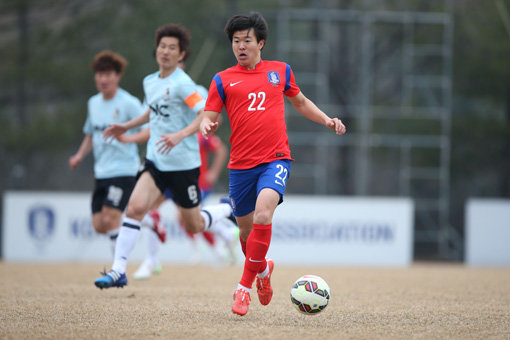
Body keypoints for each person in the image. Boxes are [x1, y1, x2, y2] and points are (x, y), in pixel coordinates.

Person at [200, 13, 346, 316]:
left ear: (260, 43)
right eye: (236, 41)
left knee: (264, 213)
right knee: (246, 232)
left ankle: (243, 288)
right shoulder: (222, 79)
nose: (241, 46)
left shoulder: (281, 71)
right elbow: (208, 115)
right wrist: (206, 126)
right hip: (240, 165)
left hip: (275, 159)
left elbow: (301, 102)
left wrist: (327, 120)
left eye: (247, 41)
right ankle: (263, 272)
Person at [94, 23, 236, 289]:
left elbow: (205, 113)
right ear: (156, 50)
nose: (166, 51)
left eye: (172, 48)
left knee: (193, 225)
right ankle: (118, 270)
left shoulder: (183, 84)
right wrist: (126, 126)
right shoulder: (150, 81)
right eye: (162, 46)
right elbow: (152, 111)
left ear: (181, 54)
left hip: (183, 166)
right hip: (156, 162)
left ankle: (228, 209)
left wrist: (181, 135)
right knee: (135, 208)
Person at [69, 50, 165, 254]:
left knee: (110, 217)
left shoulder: (128, 102)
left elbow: (149, 130)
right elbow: (90, 134)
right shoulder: (93, 103)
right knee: (98, 225)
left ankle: (117, 270)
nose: (103, 79)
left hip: (124, 170)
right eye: (99, 74)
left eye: (108, 74)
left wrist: (128, 138)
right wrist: (79, 156)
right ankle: (148, 220)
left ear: (118, 76)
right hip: (101, 172)